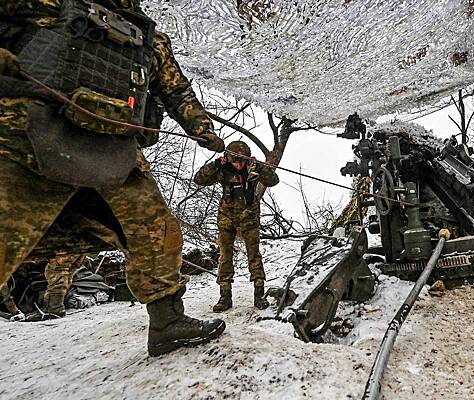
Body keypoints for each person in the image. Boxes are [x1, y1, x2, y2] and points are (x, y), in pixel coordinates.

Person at [0, 0, 226, 356]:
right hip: (26, 138)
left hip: (115, 153)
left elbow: (177, 90)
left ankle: (167, 321)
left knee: (159, 233)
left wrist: (201, 127)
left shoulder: (151, 41)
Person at [194, 141, 279, 312]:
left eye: (242, 161)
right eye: (235, 161)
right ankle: (225, 296)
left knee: (254, 255)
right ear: (228, 159)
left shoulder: (253, 169)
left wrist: (261, 167)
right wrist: (215, 164)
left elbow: (273, 181)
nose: (239, 165)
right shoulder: (222, 170)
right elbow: (199, 179)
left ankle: (259, 293)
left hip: (249, 217)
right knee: (225, 256)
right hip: (227, 217)